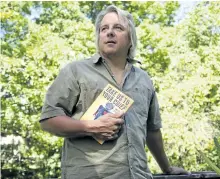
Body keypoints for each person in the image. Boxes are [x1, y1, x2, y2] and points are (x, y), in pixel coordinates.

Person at [40, 5, 189, 179]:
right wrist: (91, 127)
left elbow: (152, 130)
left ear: (130, 38)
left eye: (118, 28)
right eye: (104, 29)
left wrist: (167, 168)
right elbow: (48, 120)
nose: (109, 32)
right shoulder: (75, 71)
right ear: (99, 37)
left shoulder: (144, 79)